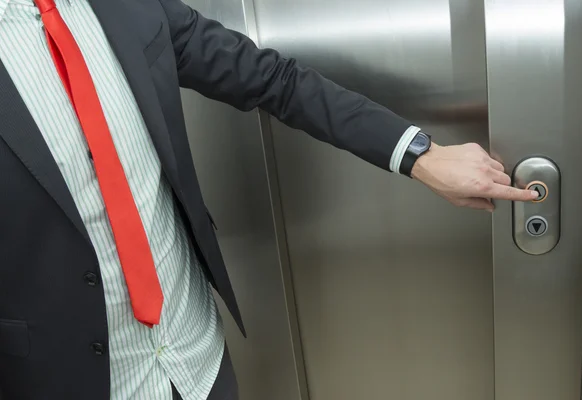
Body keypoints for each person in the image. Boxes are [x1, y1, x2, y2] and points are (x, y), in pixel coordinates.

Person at [0, 0, 538, 399]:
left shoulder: (128, 6)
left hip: (196, 361)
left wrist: (419, 154)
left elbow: (272, 79)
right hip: (65, 378)